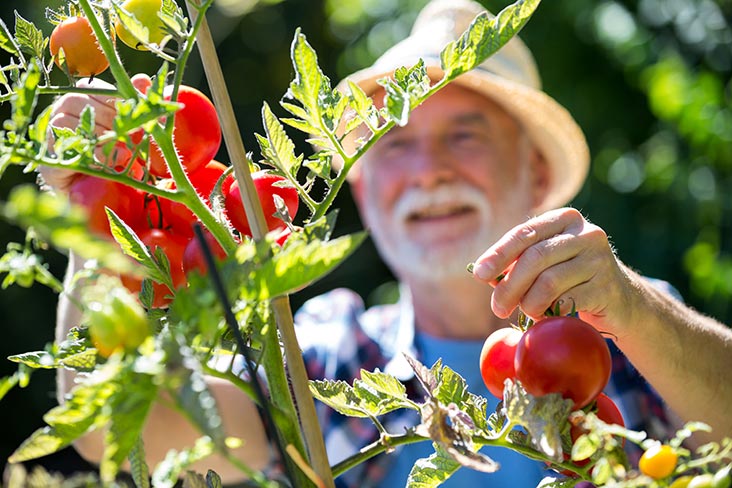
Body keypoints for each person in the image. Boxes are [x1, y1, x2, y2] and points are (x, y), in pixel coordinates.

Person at [42, 0, 732, 486]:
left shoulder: (638, 338)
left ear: (539, 174)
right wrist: (99, 216)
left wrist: (641, 312)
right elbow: (129, 434)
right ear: (366, 192)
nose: (429, 169)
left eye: (465, 134)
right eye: (395, 143)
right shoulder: (320, 354)